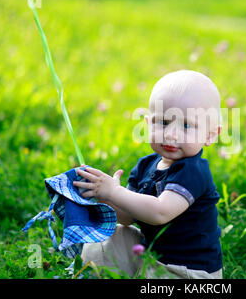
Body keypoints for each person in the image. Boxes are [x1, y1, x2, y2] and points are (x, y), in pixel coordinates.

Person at [75, 70, 223, 279]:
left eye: (187, 125)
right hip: (152, 256)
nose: (171, 134)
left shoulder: (193, 171)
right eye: (163, 122)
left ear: (210, 135)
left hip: (188, 272)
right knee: (110, 235)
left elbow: (159, 213)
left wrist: (116, 192)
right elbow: (128, 218)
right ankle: (97, 273)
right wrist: (104, 196)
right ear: (148, 124)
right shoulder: (146, 165)